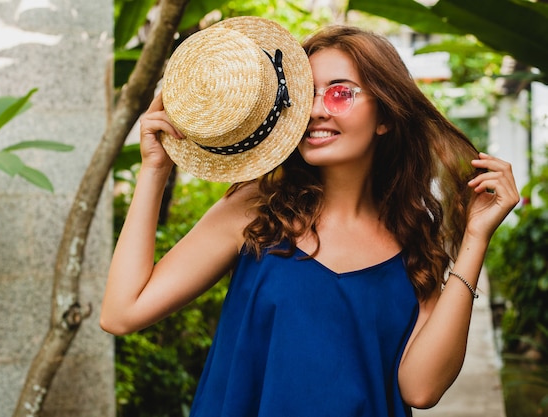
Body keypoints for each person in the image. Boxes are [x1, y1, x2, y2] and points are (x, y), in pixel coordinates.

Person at [101, 17, 520, 417]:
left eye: (340, 93)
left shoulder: (414, 243)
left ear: (387, 116)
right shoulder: (256, 211)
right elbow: (122, 312)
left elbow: (421, 389)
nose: (317, 111)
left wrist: (475, 236)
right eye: (306, 96)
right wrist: (155, 170)